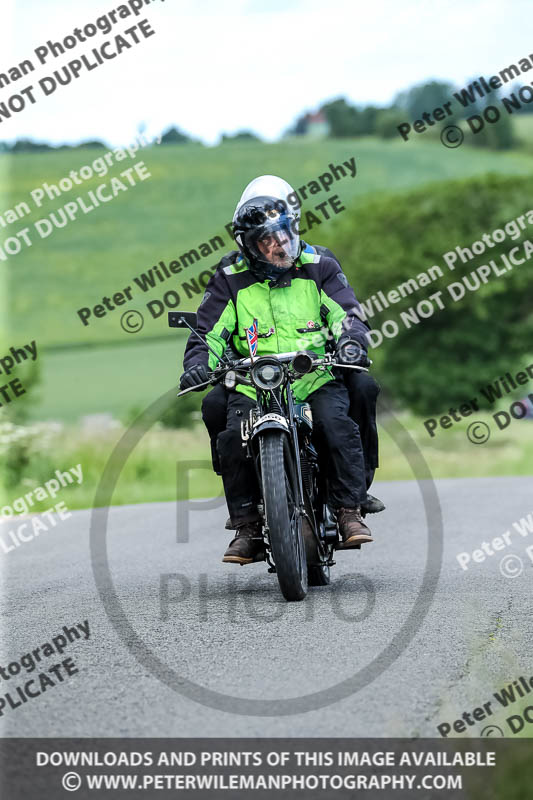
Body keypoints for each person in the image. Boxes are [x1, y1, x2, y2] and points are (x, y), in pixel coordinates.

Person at [180, 175, 375, 564]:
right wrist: (199, 364)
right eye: (265, 241)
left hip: (313, 375)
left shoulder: (320, 266)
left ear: (293, 229)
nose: (276, 246)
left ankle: (348, 510)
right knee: (233, 434)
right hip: (254, 382)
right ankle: (248, 524)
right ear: (247, 245)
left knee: (335, 425)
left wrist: (351, 341)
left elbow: (346, 313)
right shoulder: (229, 278)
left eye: (281, 236)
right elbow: (210, 332)